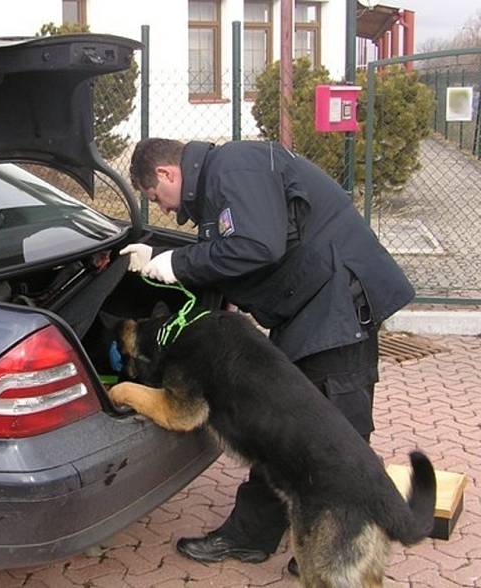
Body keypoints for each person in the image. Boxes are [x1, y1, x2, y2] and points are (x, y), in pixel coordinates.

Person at [121, 138, 414, 574]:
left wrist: (178, 264)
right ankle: (254, 535)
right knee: (276, 422)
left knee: (340, 422)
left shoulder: (233, 168)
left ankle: (338, 548)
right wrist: (163, 257)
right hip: (311, 301)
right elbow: (237, 247)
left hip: (338, 301)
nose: (162, 210)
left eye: (154, 198)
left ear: (166, 174)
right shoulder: (221, 180)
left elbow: (257, 246)